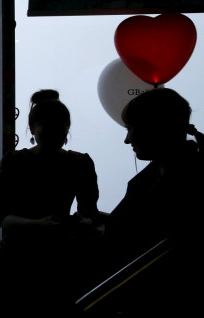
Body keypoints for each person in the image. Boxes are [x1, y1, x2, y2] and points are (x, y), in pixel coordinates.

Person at [77, 87, 204, 315]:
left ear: (153, 127)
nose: (127, 140)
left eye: (130, 128)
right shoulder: (177, 174)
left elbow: (139, 231)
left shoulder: (180, 182)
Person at [0, 89, 100, 317]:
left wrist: (39, 224)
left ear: (32, 129)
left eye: (57, 132)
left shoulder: (15, 162)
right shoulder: (80, 163)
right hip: (61, 259)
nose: (54, 138)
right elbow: (90, 212)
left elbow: (4, 218)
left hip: (18, 259)